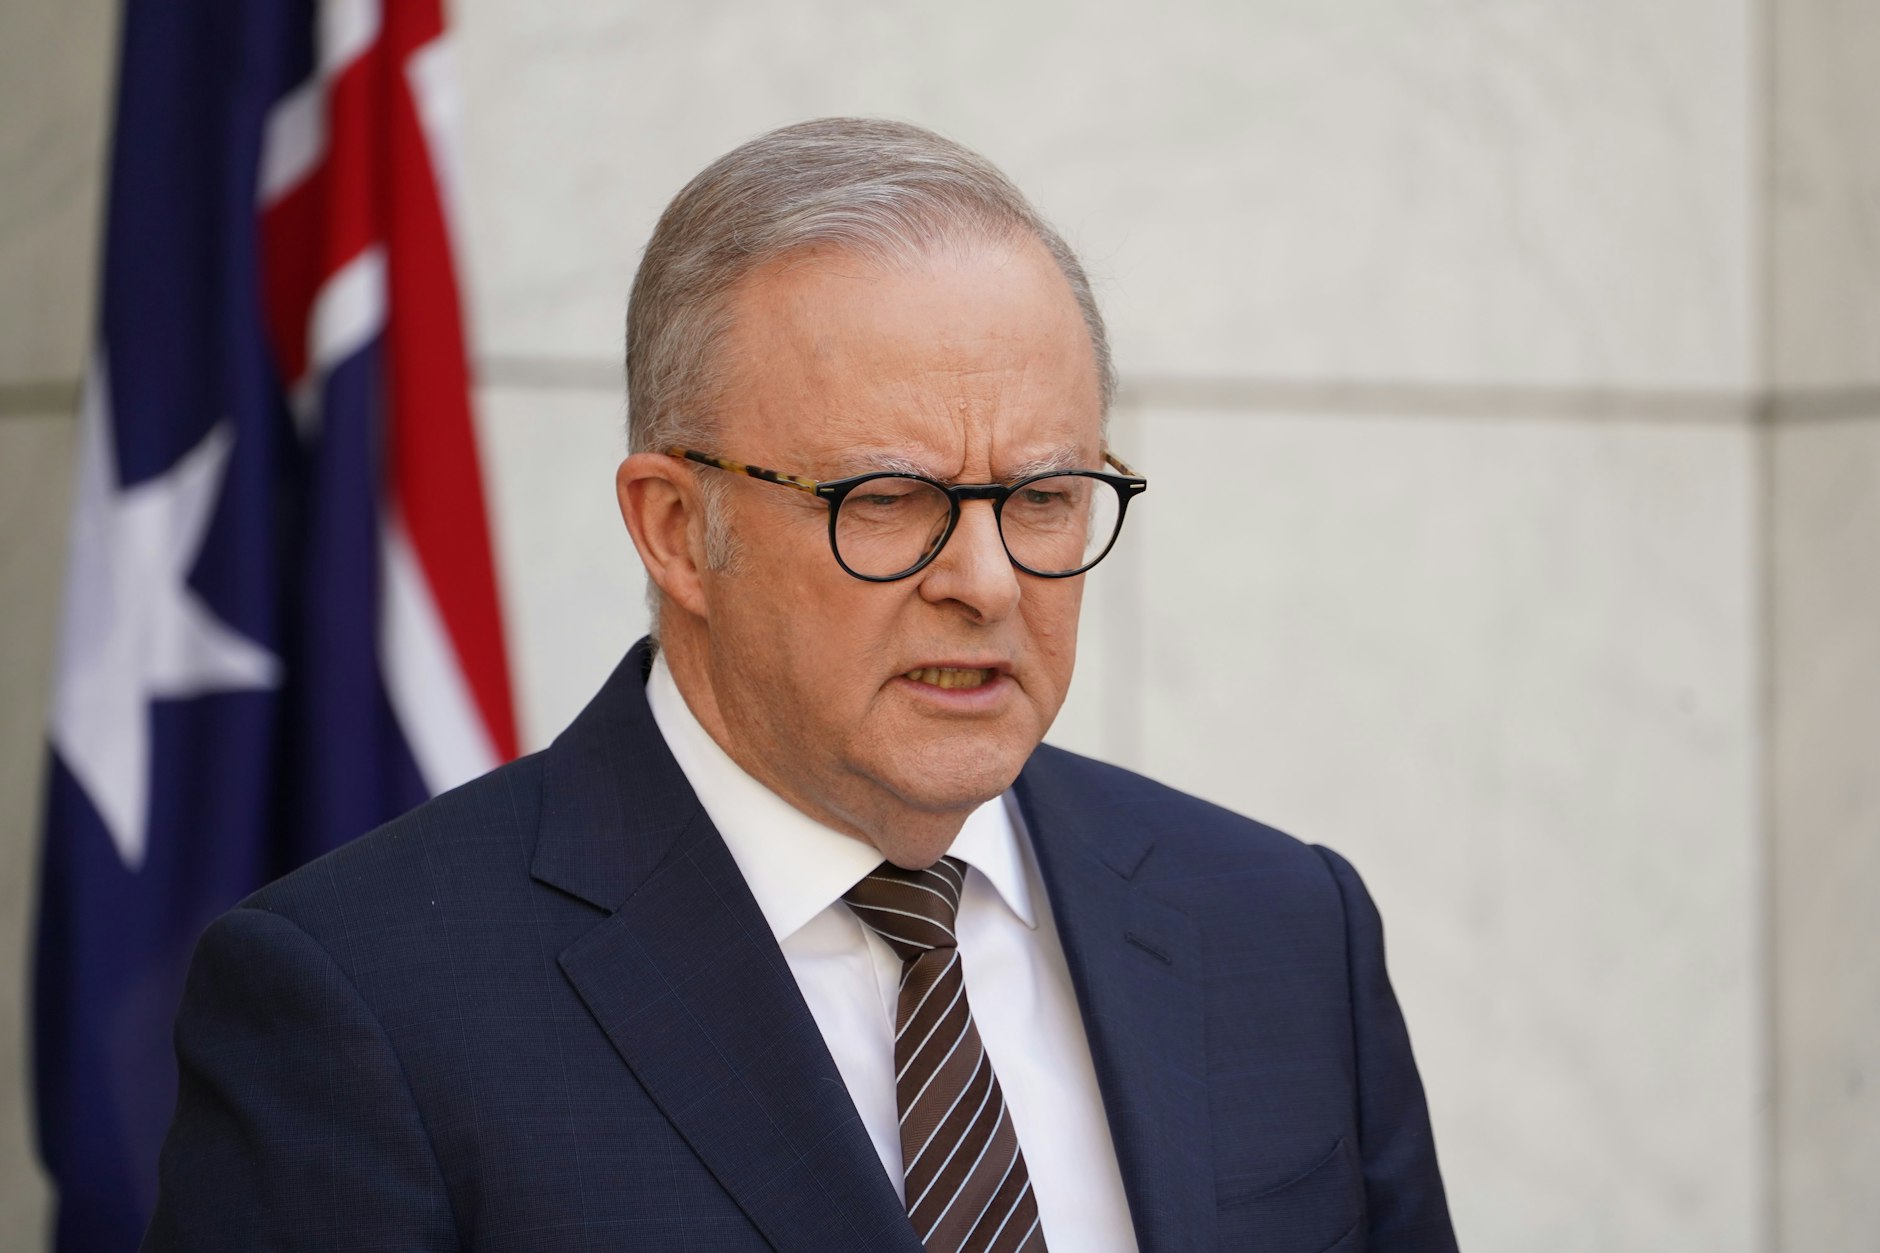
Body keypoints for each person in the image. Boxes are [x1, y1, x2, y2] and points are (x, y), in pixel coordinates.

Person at [144, 117, 1457, 1252]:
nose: (989, 582)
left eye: (1046, 497)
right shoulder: (365, 1004)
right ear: (674, 527)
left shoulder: (1284, 929)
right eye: (888, 500)